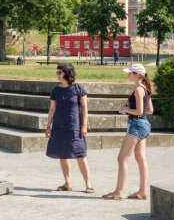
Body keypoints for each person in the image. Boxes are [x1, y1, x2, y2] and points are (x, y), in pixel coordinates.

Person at [103, 64, 154, 200]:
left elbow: (139, 111)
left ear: (137, 74)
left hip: (136, 124)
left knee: (122, 158)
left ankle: (118, 192)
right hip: (143, 124)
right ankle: (142, 191)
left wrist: (125, 109)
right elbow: (149, 111)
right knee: (141, 158)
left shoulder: (138, 89)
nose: (128, 74)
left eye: (130, 73)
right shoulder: (146, 89)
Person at [45, 63, 93, 193]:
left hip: (75, 126)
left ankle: (88, 184)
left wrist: (84, 125)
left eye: (59, 72)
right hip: (59, 126)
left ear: (66, 73)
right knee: (62, 155)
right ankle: (67, 183)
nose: (57, 74)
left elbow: (84, 108)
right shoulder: (56, 90)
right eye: (57, 72)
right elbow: (52, 109)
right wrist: (48, 126)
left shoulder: (78, 88)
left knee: (80, 155)